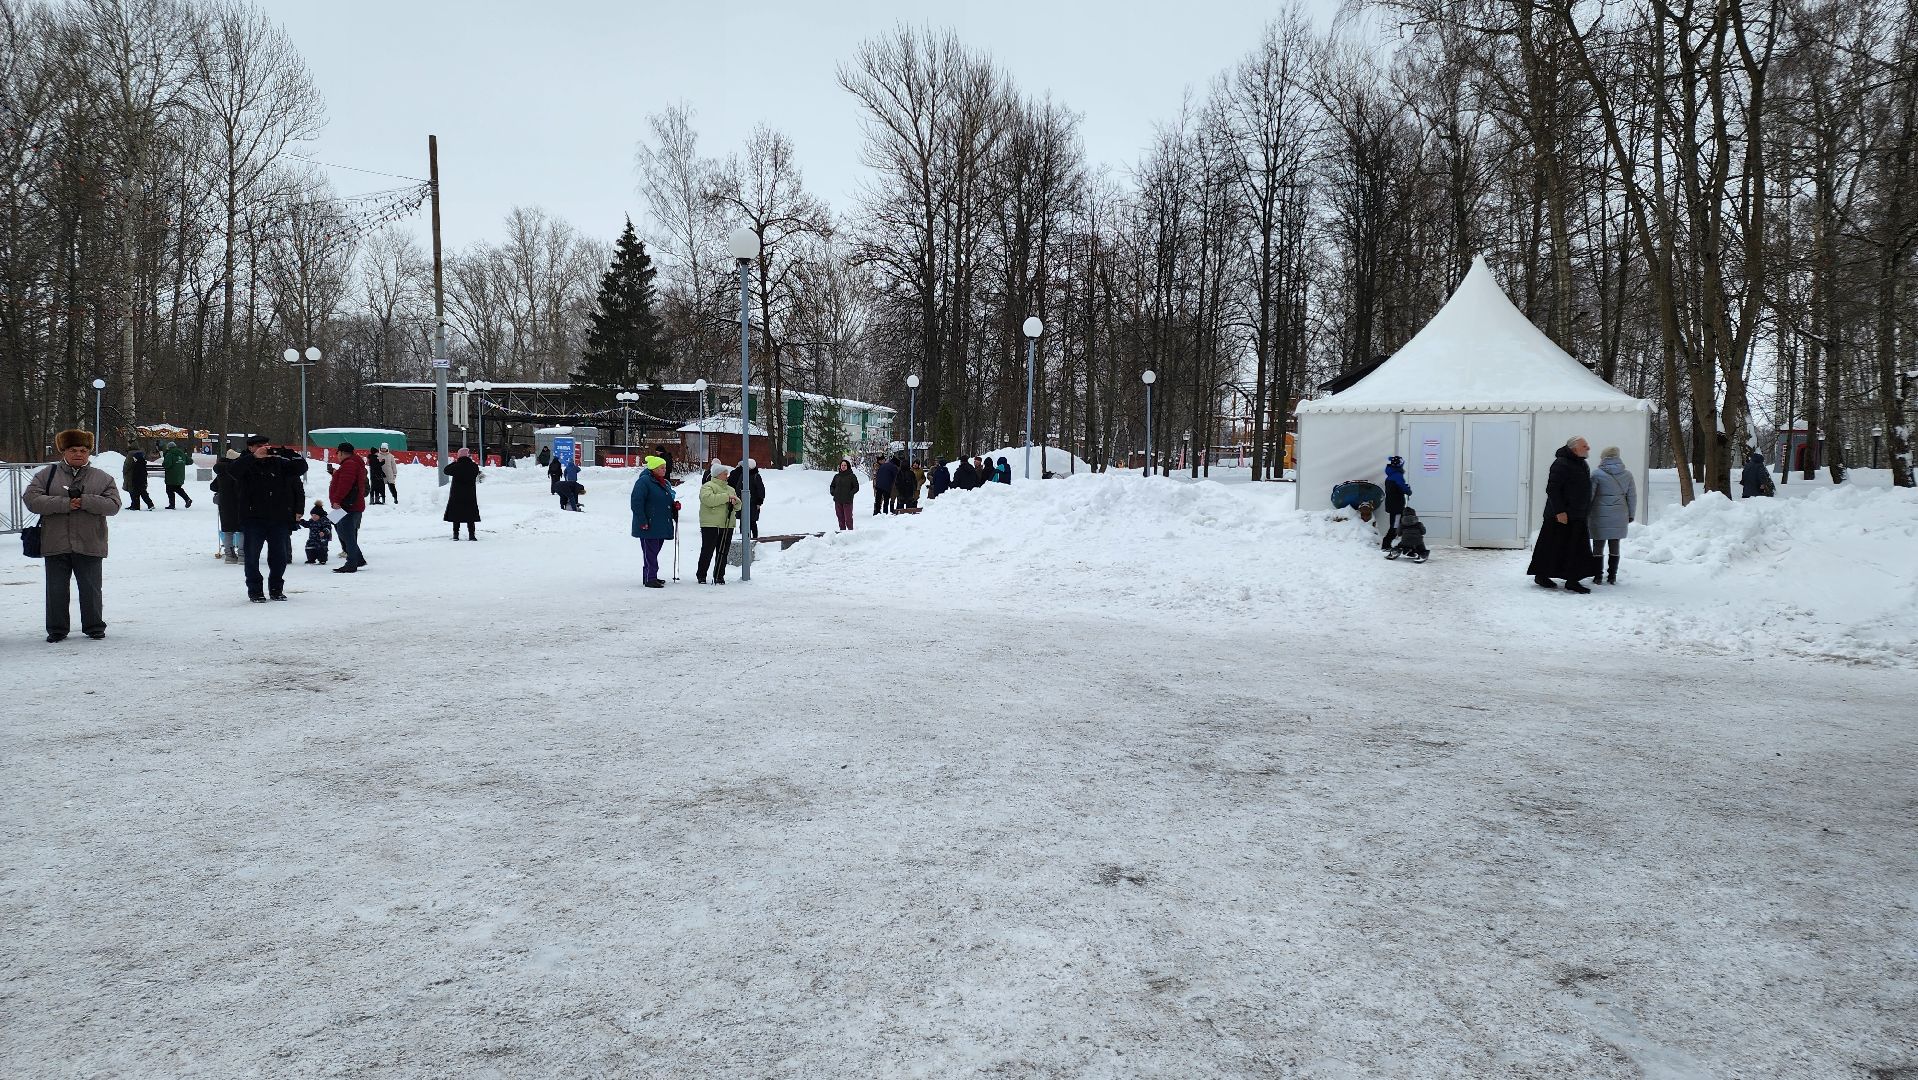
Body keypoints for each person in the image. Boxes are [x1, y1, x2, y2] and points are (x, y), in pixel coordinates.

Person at [26, 429, 121, 641]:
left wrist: (85, 501)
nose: (78, 454)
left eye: (83, 450)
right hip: (55, 542)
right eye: (73, 450)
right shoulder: (46, 475)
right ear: (64, 451)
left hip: (90, 542)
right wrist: (65, 503)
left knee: (91, 589)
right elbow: (31, 499)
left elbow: (114, 505)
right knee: (56, 590)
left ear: (89, 452)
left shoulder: (103, 478)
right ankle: (57, 629)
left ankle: (94, 626)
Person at [227, 434, 309, 602]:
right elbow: (232, 471)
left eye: (266, 445)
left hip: (278, 518)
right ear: (251, 448)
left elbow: (301, 468)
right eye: (259, 446)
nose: (264, 448)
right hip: (253, 518)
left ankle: (276, 588)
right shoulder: (245, 462)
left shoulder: (278, 463)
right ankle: (255, 590)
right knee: (252, 557)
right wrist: (253, 457)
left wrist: (287, 453)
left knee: (279, 557)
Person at [1527, 436, 1598, 593]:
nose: (1588, 448)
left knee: (1576, 549)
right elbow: (1552, 489)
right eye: (1585, 446)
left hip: (1577, 515)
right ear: (1574, 449)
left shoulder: (1581, 463)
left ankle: (1572, 580)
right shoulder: (1561, 463)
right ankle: (1541, 575)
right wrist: (1559, 511)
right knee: (1551, 547)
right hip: (1559, 516)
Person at [1588, 446, 1636, 585]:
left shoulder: (1597, 474)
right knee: (1615, 545)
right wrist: (1631, 514)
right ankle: (1612, 576)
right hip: (1619, 514)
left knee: (1598, 545)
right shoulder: (1627, 475)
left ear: (1603, 458)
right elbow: (1632, 496)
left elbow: (1590, 496)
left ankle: (1597, 576)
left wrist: (1585, 512)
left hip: (1599, 514)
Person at [630, 454, 678, 588]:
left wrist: (674, 506)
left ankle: (650, 576)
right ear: (654, 469)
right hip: (649, 524)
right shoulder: (644, 482)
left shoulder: (663, 482)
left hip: (660, 523)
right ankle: (650, 578)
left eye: (665, 467)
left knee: (653, 552)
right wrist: (642, 520)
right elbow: (636, 502)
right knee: (650, 552)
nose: (664, 470)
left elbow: (665, 500)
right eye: (661, 468)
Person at [697, 463, 741, 584]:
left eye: (727, 473)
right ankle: (701, 575)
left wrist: (735, 502)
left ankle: (719, 575)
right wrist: (727, 497)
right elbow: (708, 500)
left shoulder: (730, 488)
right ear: (717, 475)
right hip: (710, 524)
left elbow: (738, 505)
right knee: (707, 550)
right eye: (724, 474)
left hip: (727, 524)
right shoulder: (708, 486)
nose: (727, 476)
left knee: (723, 552)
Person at [328, 442, 368, 572]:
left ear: (341, 452)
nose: (337, 456)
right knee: (334, 521)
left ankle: (352, 563)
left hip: (347, 505)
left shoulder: (349, 464)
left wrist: (337, 500)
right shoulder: (352, 463)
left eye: (337, 453)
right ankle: (358, 559)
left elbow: (345, 484)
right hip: (350, 504)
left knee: (348, 534)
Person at [442, 447, 483, 540]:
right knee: (470, 515)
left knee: (456, 515)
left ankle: (456, 535)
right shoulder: (473, 466)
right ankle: (471, 535)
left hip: (457, 494)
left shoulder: (456, 466)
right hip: (469, 494)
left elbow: (446, 470)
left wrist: (455, 462)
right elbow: (476, 472)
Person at [210, 448, 242, 563]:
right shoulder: (238, 470)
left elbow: (213, 486)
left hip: (224, 503)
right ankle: (242, 555)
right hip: (239, 502)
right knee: (241, 529)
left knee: (227, 529)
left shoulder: (221, 471)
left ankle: (229, 555)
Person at [727, 459, 765, 538]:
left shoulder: (755, 476)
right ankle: (744, 538)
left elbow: (761, 490)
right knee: (743, 520)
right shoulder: (743, 475)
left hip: (752, 503)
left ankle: (754, 538)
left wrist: (759, 502)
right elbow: (738, 487)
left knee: (752, 521)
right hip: (743, 502)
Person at [1381, 455, 1411, 550]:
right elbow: (1402, 488)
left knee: (1396, 524)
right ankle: (1386, 545)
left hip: (1392, 504)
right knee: (1395, 525)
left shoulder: (1391, 475)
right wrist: (1408, 490)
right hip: (1396, 506)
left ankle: (1404, 542)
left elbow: (1397, 488)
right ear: (1400, 465)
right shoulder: (1397, 476)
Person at [829, 457, 860, 531]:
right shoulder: (837, 476)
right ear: (840, 466)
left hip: (847, 500)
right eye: (842, 465)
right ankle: (842, 533)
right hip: (838, 500)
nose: (843, 467)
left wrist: (851, 493)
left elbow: (856, 487)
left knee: (848, 518)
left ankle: (850, 533)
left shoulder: (852, 476)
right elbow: (832, 486)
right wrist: (833, 492)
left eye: (845, 465)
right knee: (840, 517)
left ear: (848, 466)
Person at [160, 440, 193, 508]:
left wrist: (163, 464)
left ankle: (172, 504)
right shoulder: (182, 453)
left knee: (169, 490)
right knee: (177, 488)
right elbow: (190, 461)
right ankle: (187, 499)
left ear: (169, 448)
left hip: (171, 475)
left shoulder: (169, 454)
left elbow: (167, 464)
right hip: (180, 475)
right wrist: (181, 463)